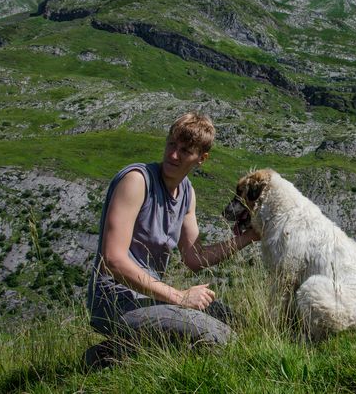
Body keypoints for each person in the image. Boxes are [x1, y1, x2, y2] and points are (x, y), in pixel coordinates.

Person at [85, 112, 259, 366]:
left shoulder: (187, 193)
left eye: (185, 150)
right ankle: (105, 358)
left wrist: (251, 236)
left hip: (149, 298)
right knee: (219, 337)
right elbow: (113, 260)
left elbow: (194, 258)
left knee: (238, 325)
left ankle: (128, 349)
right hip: (115, 301)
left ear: (201, 158)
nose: (173, 155)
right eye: (171, 145)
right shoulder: (136, 181)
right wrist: (179, 297)